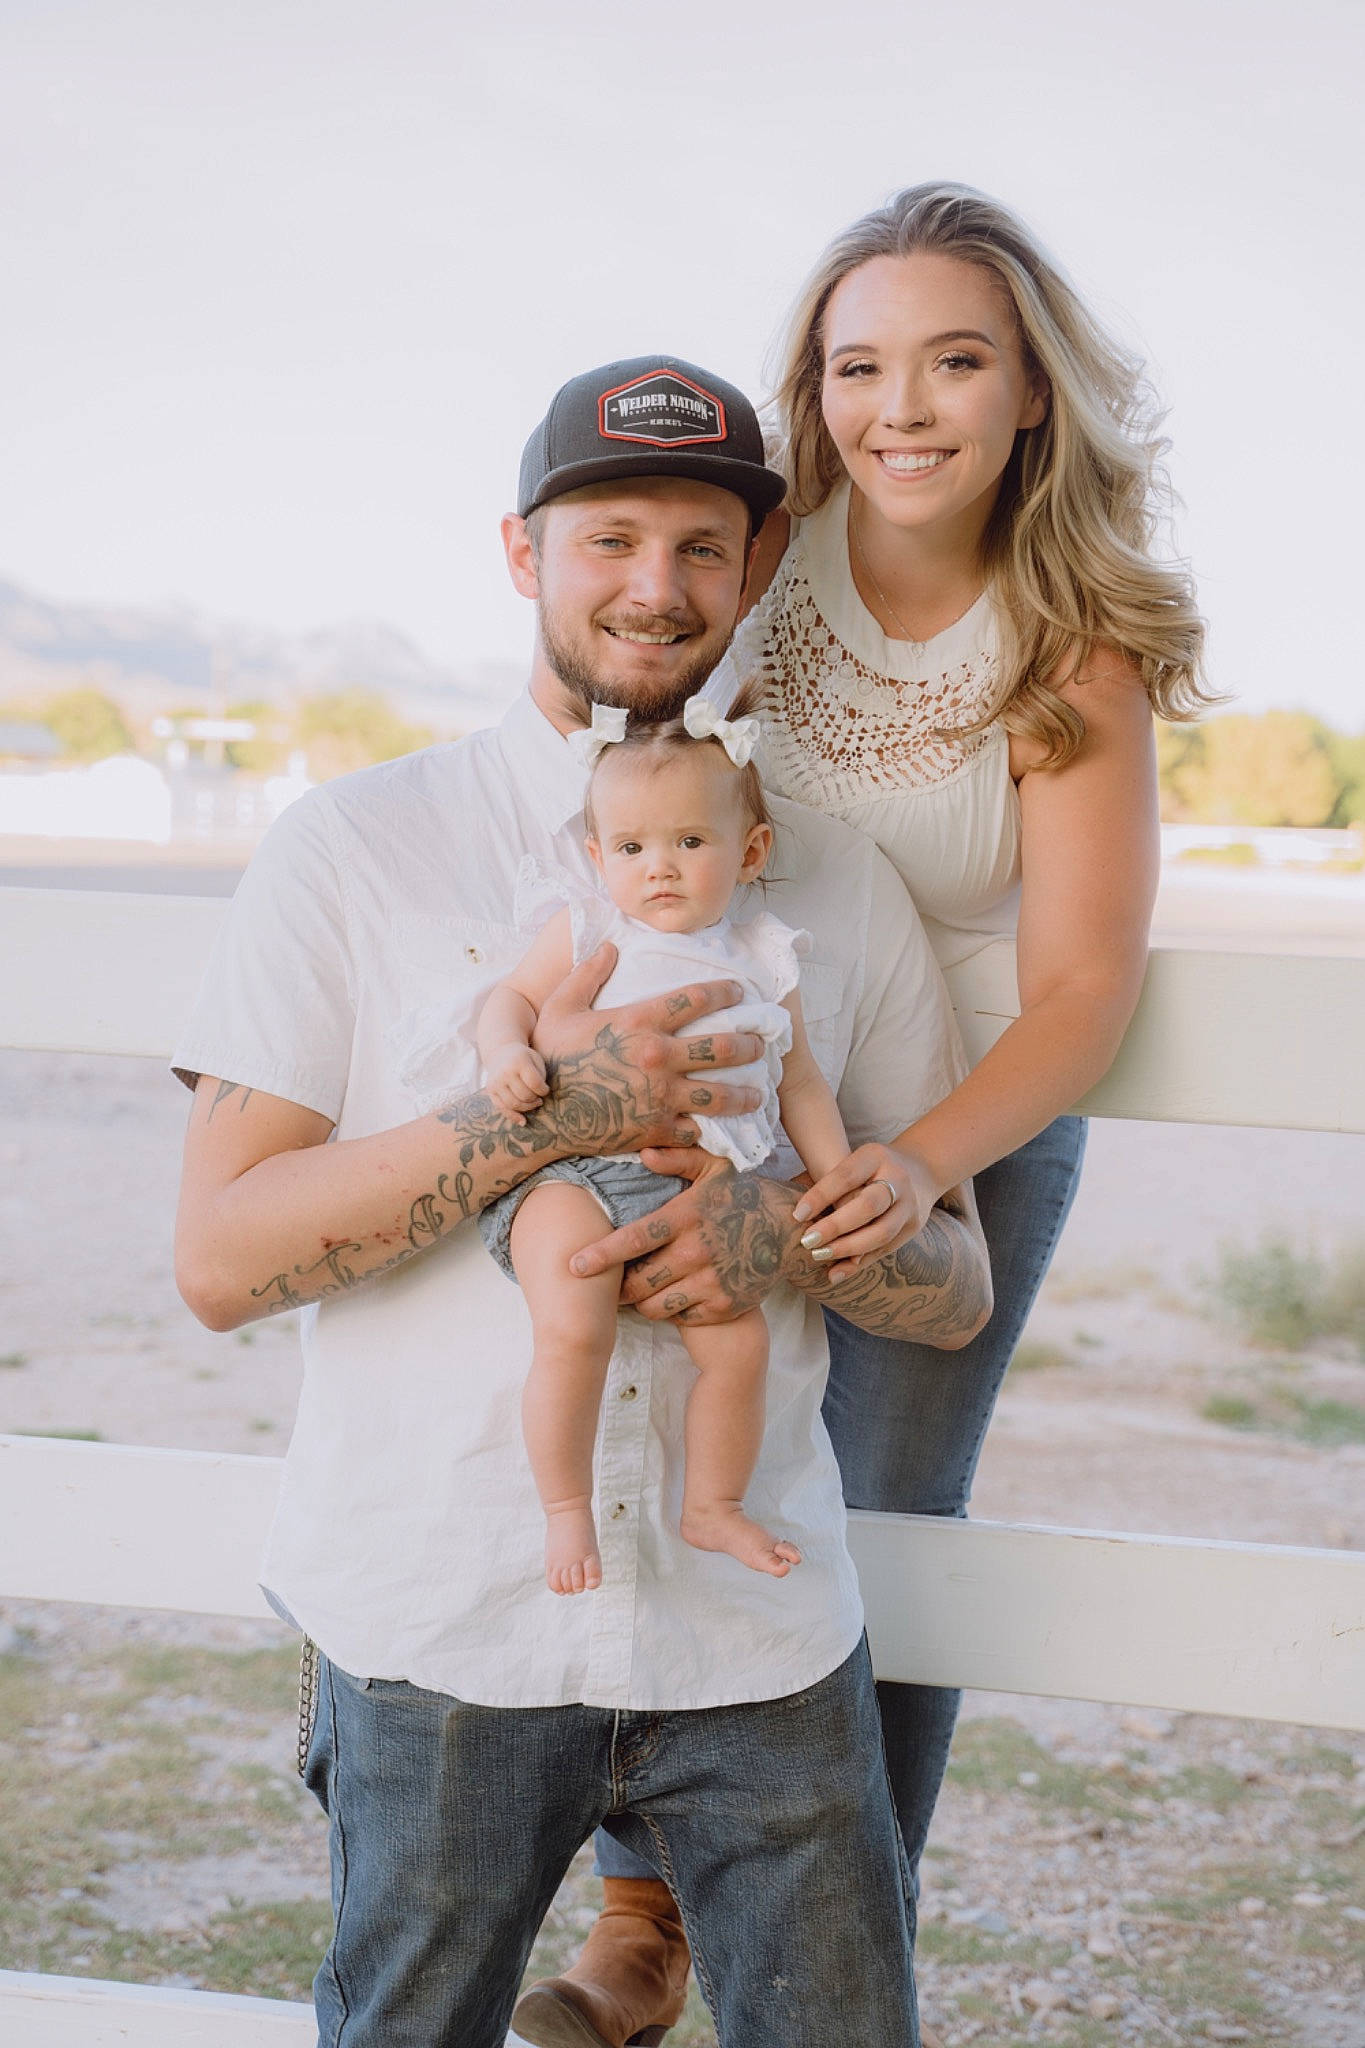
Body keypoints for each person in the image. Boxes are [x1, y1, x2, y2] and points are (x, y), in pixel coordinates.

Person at [171, 353, 993, 2048]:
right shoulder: (357, 846)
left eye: (703, 544)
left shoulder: (830, 877)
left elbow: (958, 1278)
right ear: (521, 550)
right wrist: (542, 1118)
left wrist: (786, 1229)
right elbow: (219, 1260)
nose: (654, 583)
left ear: (757, 570)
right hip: (441, 1615)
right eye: (607, 534)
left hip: (756, 1633)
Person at [559, 185, 1211, 2041]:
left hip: (958, 1128)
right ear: (814, 389)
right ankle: (642, 1909)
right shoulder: (767, 560)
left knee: (885, 1522)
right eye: (858, 365)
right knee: (673, 1446)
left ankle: (852, 1936)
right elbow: (620, 738)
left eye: (953, 360)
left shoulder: (1071, 633)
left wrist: (928, 1162)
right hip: (750, 1085)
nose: (899, 405)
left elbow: (1088, 984)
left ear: (1029, 396)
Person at [477, 690, 849, 1591]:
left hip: (695, 1191)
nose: (662, 869)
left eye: (690, 842)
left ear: (748, 852)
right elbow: (512, 1002)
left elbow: (797, 1079)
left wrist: (834, 1177)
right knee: (573, 1328)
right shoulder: (589, 928)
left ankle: (713, 1506)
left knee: (738, 1348)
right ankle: (566, 1512)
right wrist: (504, 1054)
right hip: (568, 1177)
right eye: (634, 848)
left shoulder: (763, 954)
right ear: (598, 858)